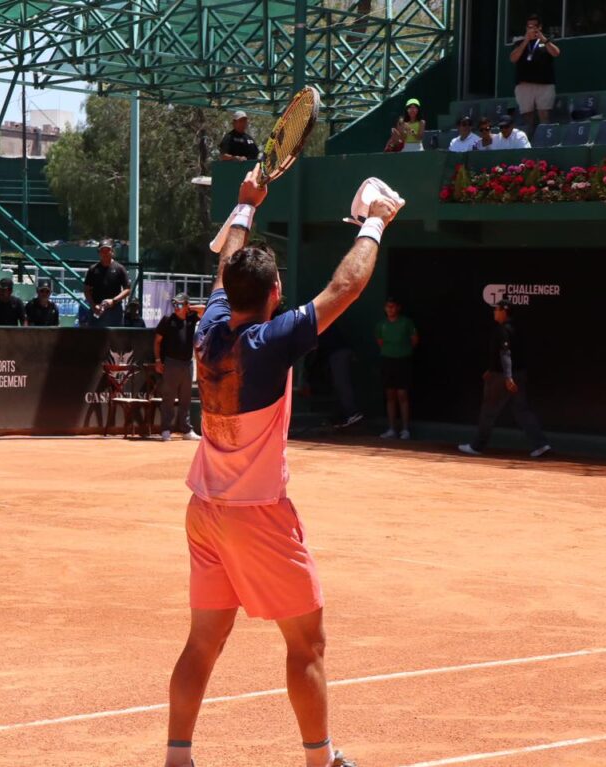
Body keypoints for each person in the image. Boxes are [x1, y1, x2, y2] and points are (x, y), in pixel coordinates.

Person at [165, 165, 401, 767]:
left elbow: (226, 270)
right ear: (273, 296)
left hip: (204, 512)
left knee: (203, 641)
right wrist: (373, 224)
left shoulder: (210, 328)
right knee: (307, 643)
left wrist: (245, 205)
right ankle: (320, 762)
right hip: (258, 518)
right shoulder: (268, 342)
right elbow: (343, 289)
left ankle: (177, 758)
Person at [459, 299, 551, 458]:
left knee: (488, 412)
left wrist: (507, 377)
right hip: (518, 374)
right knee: (522, 411)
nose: (494, 312)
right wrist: (491, 368)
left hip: (502, 378)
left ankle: (476, 447)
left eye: (496, 310)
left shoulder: (502, 330)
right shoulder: (517, 329)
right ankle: (541, 445)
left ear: (504, 311)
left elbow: (506, 353)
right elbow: (510, 353)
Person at [154, 293, 205, 442]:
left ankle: (186, 430)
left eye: (180, 305)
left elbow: (204, 310)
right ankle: (165, 430)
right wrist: (158, 360)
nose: (176, 307)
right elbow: (157, 341)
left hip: (188, 364)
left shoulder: (191, 318)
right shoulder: (167, 320)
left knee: (185, 399)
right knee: (168, 398)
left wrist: (190, 306)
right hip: (171, 363)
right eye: (175, 305)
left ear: (186, 305)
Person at [510, 13, 561, 137]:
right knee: (528, 118)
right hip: (525, 86)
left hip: (544, 85)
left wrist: (543, 39)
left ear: (540, 27)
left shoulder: (547, 40)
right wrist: (526, 40)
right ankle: (529, 144)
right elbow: (513, 58)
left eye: (534, 26)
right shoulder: (520, 42)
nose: (532, 29)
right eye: (529, 26)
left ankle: (544, 141)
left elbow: (556, 53)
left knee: (544, 116)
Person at [376, 297, 418, 440]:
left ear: (398, 308)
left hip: (403, 361)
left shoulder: (407, 322)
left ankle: (405, 430)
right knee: (390, 395)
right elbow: (380, 342)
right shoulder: (381, 325)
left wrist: (402, 351)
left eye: (392, 307)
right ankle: (391, 429)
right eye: (387, 307)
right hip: (387, 361)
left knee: (402, 395)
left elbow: (414, 340)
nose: (390, 309)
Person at [83, 238, 131, 327]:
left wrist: (113, 301)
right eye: (102, 251)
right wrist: (94, 306)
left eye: (107, 250)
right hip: (97, 310)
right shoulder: (93, 269)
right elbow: (86, 290)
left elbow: (127, 289)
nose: (105, 253)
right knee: (94, 338)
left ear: (112, 252)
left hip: (115, 310)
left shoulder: (119, 268)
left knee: (115, 338)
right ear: (99, 253)